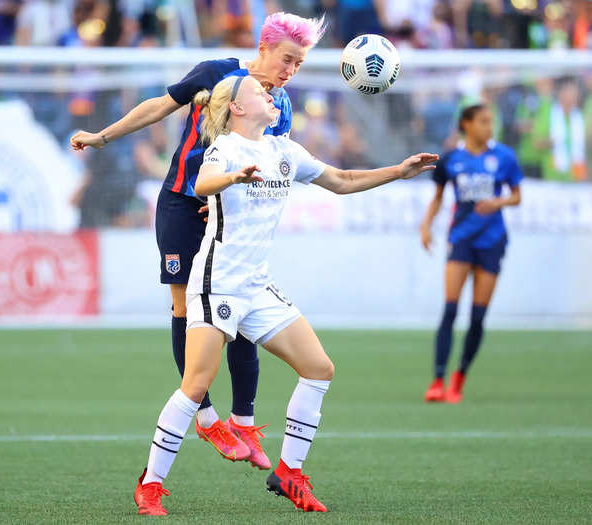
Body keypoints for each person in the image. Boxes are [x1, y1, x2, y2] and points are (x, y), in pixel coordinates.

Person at [133, 74, 438, 516]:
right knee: (196, 384)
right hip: (217, 280)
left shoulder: (285, 152)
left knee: (319, 368)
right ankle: (151, 485)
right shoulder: (226, 147)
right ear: (237, 108)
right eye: (259, 91)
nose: (270, 93)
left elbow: (344, 179)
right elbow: (201, 183)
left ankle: (289, 473)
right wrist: (232, 177)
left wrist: (398, 171)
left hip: (256, 286)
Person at [70, 12, 325, 470]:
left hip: (225, 210)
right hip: (182, 203)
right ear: (263, 48)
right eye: (287, 59)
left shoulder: (280, 106)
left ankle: (243, 420)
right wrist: (102, 137)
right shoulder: (216, 73)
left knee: (242, 308)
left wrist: (235, 197)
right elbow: (159, 106)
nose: (290, 71)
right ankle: (206, 418)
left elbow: (269, 159)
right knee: (185, 307)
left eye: (299, 64)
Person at [421, 104, 522, 404]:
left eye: (490, 121)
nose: (488, 126)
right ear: (466, 124)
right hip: (461, 240)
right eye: (482, 121)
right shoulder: (452, 159)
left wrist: (498, 203)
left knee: (478, 316)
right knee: (450, 309)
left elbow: (517, 196)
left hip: (492, 241)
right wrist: (427, 226)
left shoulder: (503, 157)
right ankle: (438, 379)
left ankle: (459, 378)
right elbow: (438, 198)